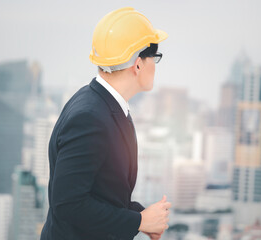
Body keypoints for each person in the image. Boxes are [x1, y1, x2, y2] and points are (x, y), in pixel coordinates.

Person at [40, 7, 171, 240]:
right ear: (138, 65)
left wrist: (143, 216)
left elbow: (101, 194)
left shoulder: (102, 103)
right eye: (155, 58)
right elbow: (68, 204)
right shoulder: (90, 118)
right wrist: (139, 221)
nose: (156, 65)